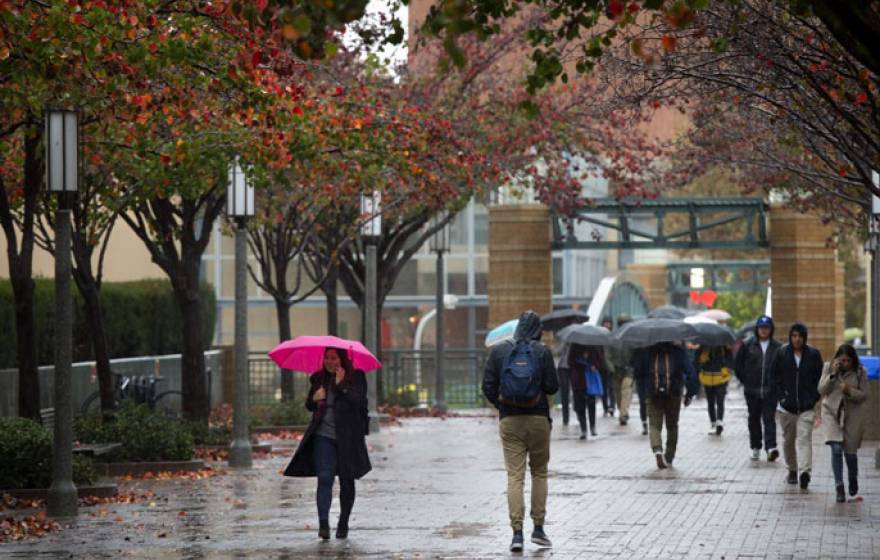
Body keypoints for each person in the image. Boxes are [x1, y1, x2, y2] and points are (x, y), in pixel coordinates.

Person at [483, 310, 559, 552]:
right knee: (539, 473)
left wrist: (502, 405)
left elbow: (487, 387)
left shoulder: (499, 351)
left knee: (515, 476)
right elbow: (552, 386)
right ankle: (538, 528)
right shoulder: (542, 352)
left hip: (510, 421)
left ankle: (517, 534)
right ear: (537, 330)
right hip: (538, 419)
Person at [284, 347, 371, 539]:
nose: (330, 362)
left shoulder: (356, 377)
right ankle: (323, 524)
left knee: (347, 481)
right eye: (327, 358)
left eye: (334, 358)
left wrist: (341, 386)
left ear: (343, 359)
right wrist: (314, 399)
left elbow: (358, 402)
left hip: (348, 438)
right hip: (324, 436)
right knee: (325, 478)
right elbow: (310, 405)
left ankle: (343, 522)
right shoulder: (319, 378)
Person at [773, 322, 823, 490]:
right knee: (788, 441)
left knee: (804, 439)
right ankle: (792, 469)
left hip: (806, 407)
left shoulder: (814, 355)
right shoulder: (781, 354)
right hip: (786, 408)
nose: (797, 339)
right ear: (790, 336)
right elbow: (774, 378)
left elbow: (819, 379)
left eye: (800, 336)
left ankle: (805, 472)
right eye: (794, 336)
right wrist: (782, 396)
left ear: (805, 337)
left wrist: (813, 398)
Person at [633, 341, 698, 469]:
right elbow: (691, 373)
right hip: (674, 393)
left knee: (654, 425)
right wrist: (690, 393)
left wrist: (644, 391)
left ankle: (657, 449)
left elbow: (637, 373)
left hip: (653, 393)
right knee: (672, 425)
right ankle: (669, 457)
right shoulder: (679, 352)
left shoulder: (647, 351)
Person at [818, 344, 868, 502]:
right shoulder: (829, 367)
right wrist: (833, 374)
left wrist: (848, 390)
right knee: (837, 448)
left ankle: (853, 477)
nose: (844, 363)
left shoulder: (860, 372)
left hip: (852, 414)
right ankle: (839, 486)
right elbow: (821, 390)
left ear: (853, 361)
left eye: (847, 361)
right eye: (842, 360)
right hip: (831, 412)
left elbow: (864, 395)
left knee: (850, 452)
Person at [734, 315, 782, 461]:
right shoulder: (748, 344)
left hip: (770, 390)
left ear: (771, 329)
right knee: (754, 418)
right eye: (761, 328)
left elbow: (782, 368)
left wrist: (777, 385)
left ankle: (771, 447)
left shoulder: (778, 347)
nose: (764, 331)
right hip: (752, 390)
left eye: (766, 328)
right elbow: (738, 365)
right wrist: (746, 380)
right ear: (757, 329)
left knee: (769, 418)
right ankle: (755, 447)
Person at [568, 343, 612, 438]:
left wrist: (593, 365)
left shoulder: (594, 346)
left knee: (591, 404)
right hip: (578, 380)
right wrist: (581, 361)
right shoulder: (574, 346)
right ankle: (583, 429)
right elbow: (570, 362)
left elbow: (600, 361)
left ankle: (592, 426)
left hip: (590, 381)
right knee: (580, 405)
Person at [695, 345, 734, 435]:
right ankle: (713, 422)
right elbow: (696, 362)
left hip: (721, 378)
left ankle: (719, 421)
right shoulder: (702, 348)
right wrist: (702, 364)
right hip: (707, 378)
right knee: (710, 402)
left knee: (720, 400)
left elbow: (731, 361)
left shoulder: (724, 348)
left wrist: (728, 369)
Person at [604, 315, 634, 426]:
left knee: (626, 390)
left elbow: (636, 354)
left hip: (628, 370)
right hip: (616, 370)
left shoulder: (632, 338)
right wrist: (611, 368)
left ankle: (623, 414)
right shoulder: (612, 338)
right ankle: (622, 410)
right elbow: (607, 356)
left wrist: (634, 366)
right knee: (618, 394)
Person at [555, 338, 572, 426]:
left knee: (576, 392)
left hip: (573, 368)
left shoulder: (576, 341)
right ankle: (566, 417)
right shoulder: (561, 339)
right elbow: (556, 352)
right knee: (564, 392)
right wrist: (564, 344)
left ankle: (578, 411)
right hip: (562, 368)